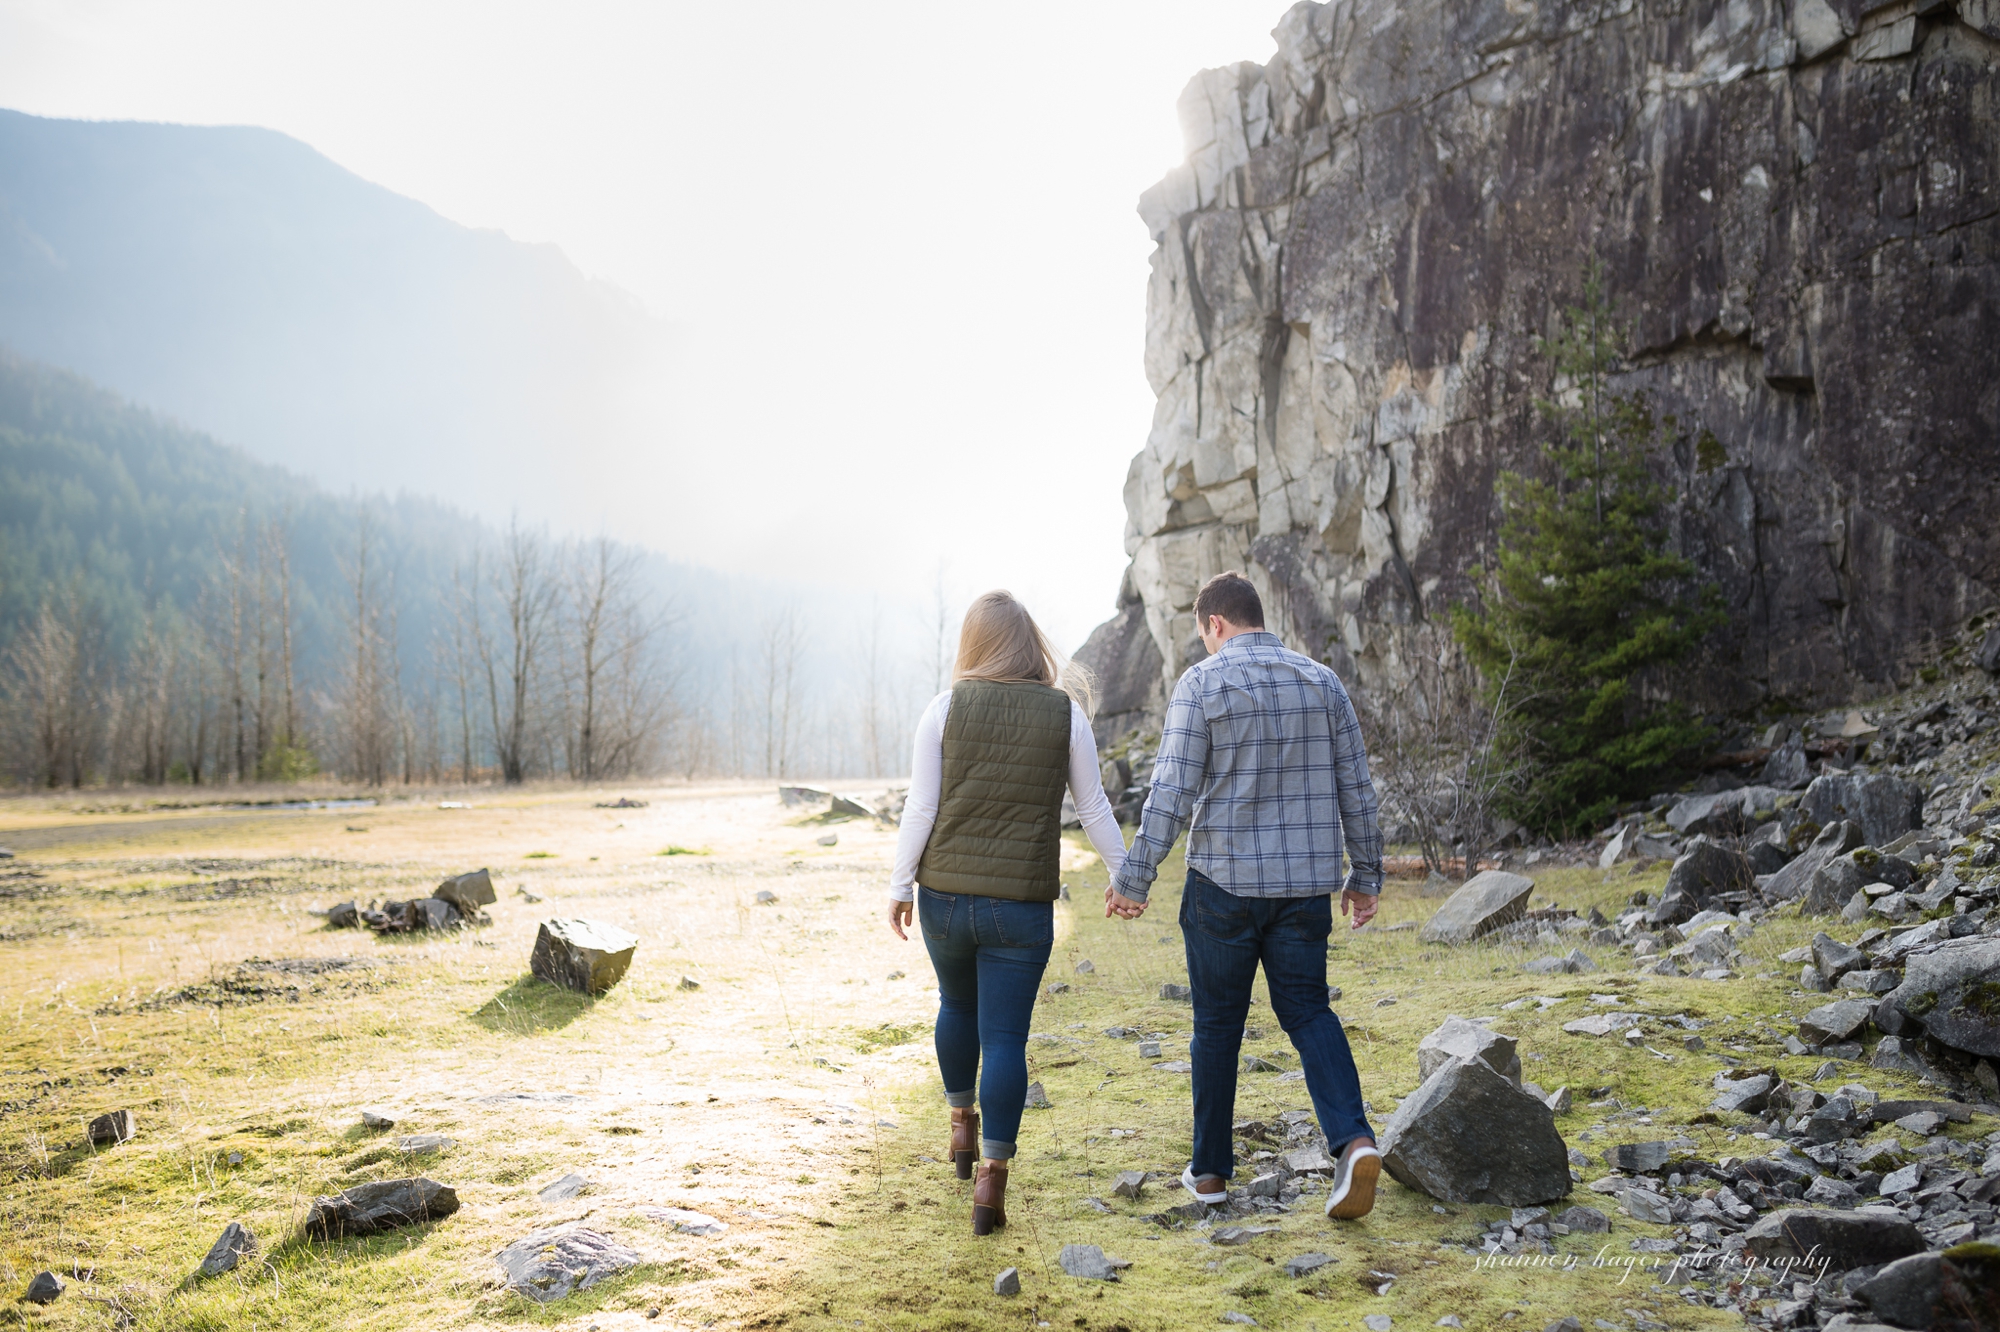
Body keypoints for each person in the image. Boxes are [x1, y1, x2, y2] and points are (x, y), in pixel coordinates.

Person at [1105, 570, 1386, 1220]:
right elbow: (1358, 790)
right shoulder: (1323, 683)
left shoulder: (1202, 683)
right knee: (1310, 1013)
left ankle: (1209, 1175)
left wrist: (1134, 880)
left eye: (1203, 634)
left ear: (1215, 625)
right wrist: (1365, 877)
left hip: (1223, 889)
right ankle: (1355, 1141)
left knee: (1217, 1028)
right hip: (1304, 891)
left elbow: (1170, 796)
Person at [885, 590, 1128, 1236]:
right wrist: (1125, 875)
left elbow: (921, 809)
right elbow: (1095, 808)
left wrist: (900, 883)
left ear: (973, 646)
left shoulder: (944, 709)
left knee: (955, 1008)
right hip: (1021, 908)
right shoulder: (1066, 715)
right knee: (1007, 1040)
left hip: (945, 900)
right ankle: (991, 1184)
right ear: (1030, 646)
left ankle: (961, 1128)